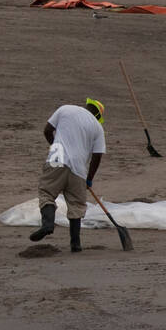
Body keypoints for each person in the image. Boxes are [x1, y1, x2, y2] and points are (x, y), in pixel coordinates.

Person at [29, 98, 106, 253]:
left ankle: (48, 224)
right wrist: (89, 179)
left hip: (57, 159)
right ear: (98, 115)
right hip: (79, 169)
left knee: (47, 193)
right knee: (76, 205)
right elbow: (97, 156)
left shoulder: (65, 109)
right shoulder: (97, 127)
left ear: (87, 106)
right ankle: (75, 244)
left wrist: (56, 147)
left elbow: (47, 130)